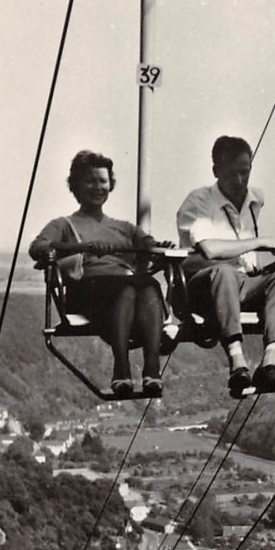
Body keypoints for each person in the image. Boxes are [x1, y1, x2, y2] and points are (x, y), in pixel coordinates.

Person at [29, 150, 166, 399]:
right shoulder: (65, 224)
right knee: (127, 288)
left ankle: (152, 368)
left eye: (102, 181)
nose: (97, 187)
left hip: (127, 289)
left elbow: (148, 244)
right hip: (88, 290)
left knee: (149, 286)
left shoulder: (124, 228)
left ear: (110, 184)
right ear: (77, 186)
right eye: (90, 181)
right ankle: (121, 368)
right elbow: (38, 248)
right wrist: (83, 248)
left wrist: (155, 247)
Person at [176, 136, 275, 398]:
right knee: (223, 271)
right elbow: (209, 250)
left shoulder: (255, 200)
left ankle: (270, 362)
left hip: (241, 282)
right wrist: (262, 242)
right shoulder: (199, 202)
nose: (241, 181)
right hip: (202, 286)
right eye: (232, 174)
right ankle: (237, 361)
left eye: (245, 172)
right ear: (216, 171)